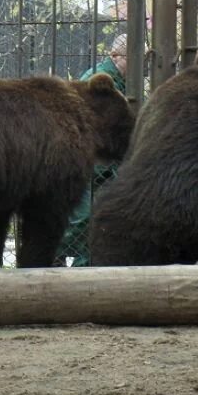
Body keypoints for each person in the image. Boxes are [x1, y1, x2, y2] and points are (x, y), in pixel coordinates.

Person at [55, 33, 129, 267]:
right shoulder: (98, 81)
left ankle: (83, 266)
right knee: (83, 218)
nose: (140, 65)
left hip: (107, 166)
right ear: (115, 55)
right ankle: (56, 251)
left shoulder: (126, 82)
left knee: (93, 219)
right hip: (90, 163)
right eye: (133, 58)